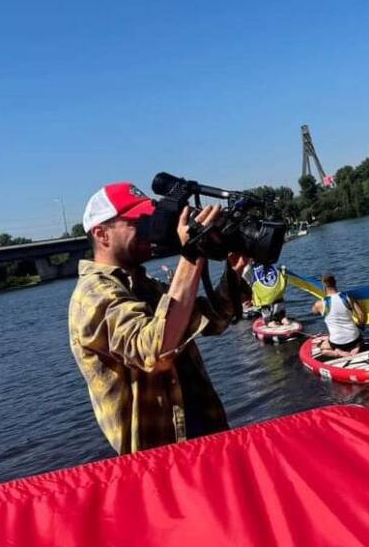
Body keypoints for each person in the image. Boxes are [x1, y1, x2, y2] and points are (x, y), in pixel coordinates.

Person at [68, 182, 249, 454]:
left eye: (149, 218)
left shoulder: (144, 283)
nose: (148, 228)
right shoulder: (93, 294)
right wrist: (192, 254)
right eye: (136, 222)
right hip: (161, 465)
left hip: (209, 443)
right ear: (102, 234)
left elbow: (212, 320)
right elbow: (154, 351)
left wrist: (235, 273)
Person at [310, 272, 367, 356]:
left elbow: (313, 312)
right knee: (360, 336)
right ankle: (357, 346)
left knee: (323, 349)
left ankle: (339, 352)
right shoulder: (348, 298)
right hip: (354, 338)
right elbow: (362, 315)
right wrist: (360, 325)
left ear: (324, 286)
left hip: (337, 342)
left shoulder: (320, 304)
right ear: (335, 282)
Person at [245, 262, 291, 327]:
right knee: (266, 294)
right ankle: (273, 318)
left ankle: (277, 317)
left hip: (267, 269)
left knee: (273, 292)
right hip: (260, 270)